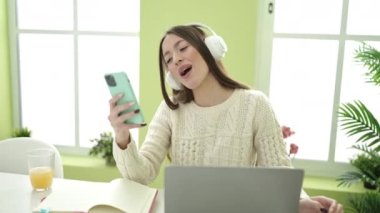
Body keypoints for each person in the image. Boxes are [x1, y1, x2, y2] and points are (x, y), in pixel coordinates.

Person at [108, 23, 344, 213]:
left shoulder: (255, 104)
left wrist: (304, 203)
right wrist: (122, 135)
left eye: (182, 48)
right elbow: (141, 174)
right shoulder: (170, 110)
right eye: (168, 59)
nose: (176, 59)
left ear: (210, 49)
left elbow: (279, 172)